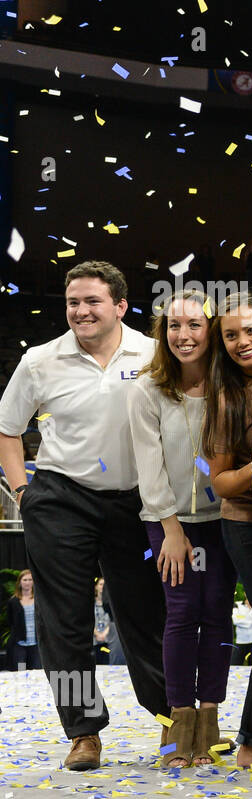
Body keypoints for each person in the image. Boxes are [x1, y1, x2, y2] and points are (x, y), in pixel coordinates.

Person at [0, 260, 168, 772]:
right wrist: (24, 491)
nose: (80, 311)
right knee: (64, 622)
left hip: (135, 502)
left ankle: (169, 719)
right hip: (60, 498)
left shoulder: (154, 353)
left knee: (145, 615)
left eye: (92, 301)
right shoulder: (39, 360)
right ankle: (84, 732)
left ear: (119, 305)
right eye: (73, 302)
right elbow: (8, 431)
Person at [128, 289, 236, 769]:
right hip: (168, 522)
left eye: (194, 325)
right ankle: (178, 724)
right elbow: (148, 469)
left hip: (221, 520)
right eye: (174, 325)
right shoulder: (146, 390)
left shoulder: (228, 387)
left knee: (217, 614)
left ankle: (209, 721)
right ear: (162, 332)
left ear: (210, 331)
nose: (183, 334)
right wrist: (171, 529)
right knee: (181, 613)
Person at [202, 292, 252, 770]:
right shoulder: (226, 396)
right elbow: (219, 483)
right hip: (250, 527)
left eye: (249, 330)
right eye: (230, 335)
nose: (241, 342)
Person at [7, 569, 39, 671]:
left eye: (30, 579)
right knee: (21, 672)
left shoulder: (39, 600)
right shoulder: (13, 601)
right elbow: (10, 621)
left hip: (36, 645)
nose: (27, 582)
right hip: (20, 645)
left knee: (36, 673)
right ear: (19, 582)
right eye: (25, 580)